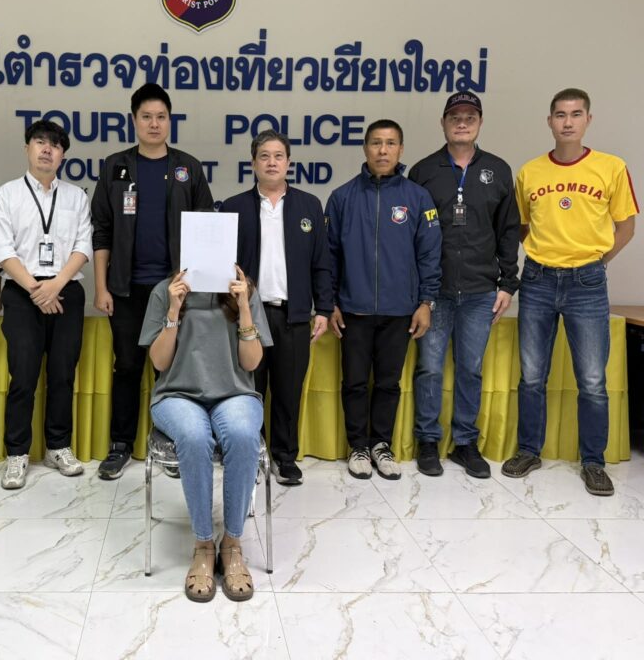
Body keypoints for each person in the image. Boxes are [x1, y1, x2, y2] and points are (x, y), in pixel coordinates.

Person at [502, 88, 638, 496]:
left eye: (576, 114)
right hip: (538, 280)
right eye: (560, 115)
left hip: (587, 284)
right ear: (549, 122)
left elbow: (626, 226)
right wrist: (545, 257)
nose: (567, 122)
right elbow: (521, 227)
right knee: (532, 375)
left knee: (592, 380)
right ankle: (529, 451)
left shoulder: (611, 167)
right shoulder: (530, 172)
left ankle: (593, 462)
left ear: (588, 120)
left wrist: (595, 263)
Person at [91, 83, 214, 480]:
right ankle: (120, 445)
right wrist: (101, 287)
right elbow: (102, 231)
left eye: (161, 117)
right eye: (146, 117)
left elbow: (204, 228)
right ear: (134, 120)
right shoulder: (115, 167)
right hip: (125, 289)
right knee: (127, 366)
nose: (154, 123)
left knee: (172, 370)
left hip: (173, 291)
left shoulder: (187, 168)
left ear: (170, 121)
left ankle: (173, 443)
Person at [139, 265, 272, 602]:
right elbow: (159, 362)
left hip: (235, 393)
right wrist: (173, 311)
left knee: (242, 434)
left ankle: (232, 543)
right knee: (194, 437)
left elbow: (252, 363)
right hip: (177, 394)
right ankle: (203, 545)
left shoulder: (244, 290)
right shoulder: (165, 291)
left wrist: (243, 308)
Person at [408, 93, 520, 479]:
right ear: (442, 123)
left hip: (480, 290)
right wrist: (419, 292)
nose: (461, 122)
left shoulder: (498, 170)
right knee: (429, 369)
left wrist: (508, 283)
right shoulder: (423, 171)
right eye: (454, 116)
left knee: (470, 370)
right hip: (434, 292)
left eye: (469, 117)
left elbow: (508, 230)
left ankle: (465, 443)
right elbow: (412, 236)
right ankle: (427, 440)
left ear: (480, 123)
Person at [326, 119, 442, 481]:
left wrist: (426, 302)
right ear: (365, 148)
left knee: (389, 383)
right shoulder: (342, 197)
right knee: (355, 383)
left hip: (400, 309)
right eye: (376, 143)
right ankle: (358, 446)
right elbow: (329, 256)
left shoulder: (417, 198)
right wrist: (330, 302)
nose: (382, 150)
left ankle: (381, 444)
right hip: (353, 309)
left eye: (390, 143)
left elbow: (430, 254)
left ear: (401, 150)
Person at [221, 130, 332, 486]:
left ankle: (285, 458)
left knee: (288, 391)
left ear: (288, 163)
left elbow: (321, 263)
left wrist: (323, 309)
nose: (271, 162)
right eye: (264, 156)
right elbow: (223, 264)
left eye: (278, 156)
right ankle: (252, 456)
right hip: (248, 317)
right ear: (253, 163)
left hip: (293, 316)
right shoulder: (234, 206)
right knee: (249, 391)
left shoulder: (309, 205)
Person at [0, 120, 93, 488]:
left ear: (63, 155)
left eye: (55, 144)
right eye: (39, 142)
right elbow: (2, 250)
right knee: (23, 376)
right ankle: (17, 453)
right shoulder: (7, 195)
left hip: (66, 291)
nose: (47, 149)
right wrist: (37, 290)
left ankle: (58, 446)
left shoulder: (76, 197)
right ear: (27, 149)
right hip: (22, 292)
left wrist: (56, 285)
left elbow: (83, 246)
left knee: (63, 375)